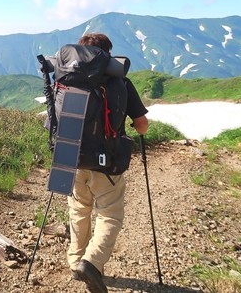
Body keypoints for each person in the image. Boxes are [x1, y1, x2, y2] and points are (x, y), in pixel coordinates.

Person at [68, 33, 149, 293]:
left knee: (79, 210)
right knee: (110, 214)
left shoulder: (68, 80)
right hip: (107, 162)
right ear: (107, 54)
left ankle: (74, 262)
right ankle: (91, 263)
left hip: (72, 159)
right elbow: (141, 125)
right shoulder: (120, 82)